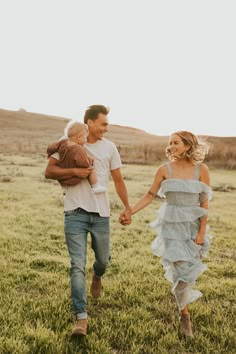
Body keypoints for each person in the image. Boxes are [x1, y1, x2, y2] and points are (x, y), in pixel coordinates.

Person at [45, 104, 132, 337]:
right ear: (89, 123)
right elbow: (49, 171)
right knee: (76, 265)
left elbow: (118, 180)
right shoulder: (66, 144)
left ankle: (98, 275)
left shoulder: (109, 148)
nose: (106, 128)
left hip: (101, 214)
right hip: (75, 212)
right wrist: (75, 173)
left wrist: (127, 208)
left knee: (103, 260)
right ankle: (80, 319)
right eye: (103, 124)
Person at [120, 131, 212, 338]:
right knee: (180, 269)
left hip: (193, 226)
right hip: (171, 226)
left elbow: (204, 203)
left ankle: (183, 302)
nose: (171, 146)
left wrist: (201, 231)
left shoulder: (202, 170)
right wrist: (130, 211)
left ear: (188, 145)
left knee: (189, 270)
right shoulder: (164, 169)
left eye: (176, 142)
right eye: (170, 142)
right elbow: (150, 194)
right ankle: (185, 315)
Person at [47, 121, 106, 193]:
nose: (86, 140)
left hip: (64, 180)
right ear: (79, 137)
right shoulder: (77, 148)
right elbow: (83, 163)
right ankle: (96, 186)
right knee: (91, 169)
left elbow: (52, 147)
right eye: (85, 138)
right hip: (73, 181)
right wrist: (89, 161)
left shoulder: (63, 144)